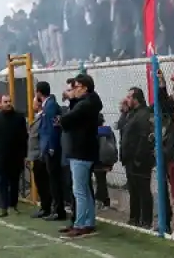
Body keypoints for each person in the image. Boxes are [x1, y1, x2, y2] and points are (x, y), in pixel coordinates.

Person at [59, 73, 103, 238]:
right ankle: (88, 222)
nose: (73, 91)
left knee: (79, 191)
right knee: (84, 189)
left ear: (84, 88)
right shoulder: (90, 102)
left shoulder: (86, 104)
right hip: (85, 151)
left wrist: (63, 115)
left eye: (76, 87)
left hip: (81, 151)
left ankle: (81, 224)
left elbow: (68, 118)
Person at [0, 94, 28, 218]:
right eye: (5, 101)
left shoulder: (19, 117)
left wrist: (24, 155)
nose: (8, 104)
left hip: (16, 156)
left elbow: (23, 138)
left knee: (15, 182)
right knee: (2, 182)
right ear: (1, 104)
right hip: (0, 156)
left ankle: (13, 205)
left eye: (10, 101)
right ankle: (3, 207)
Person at [121, 86, 155, 228]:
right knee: (133, 190)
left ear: (136, 99)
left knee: (143, 191)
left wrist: (138, 159)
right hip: (130, 160)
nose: (126, 99)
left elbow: (144, 138)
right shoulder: (131, 114)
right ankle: (134, 217)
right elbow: (122, 128)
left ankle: (146, 220)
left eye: (129, 97)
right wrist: (123, 111)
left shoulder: (143, 114)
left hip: (139, 161)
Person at [36, 80, 66, 221]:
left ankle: (58, 210)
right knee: (51, 179)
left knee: (54, 180)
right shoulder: (48, 105)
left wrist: (52, 147)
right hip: (48, 147)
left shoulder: (50, 106)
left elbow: (52, 128)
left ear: (39, 92)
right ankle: (54, 208)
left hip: (51, 148)